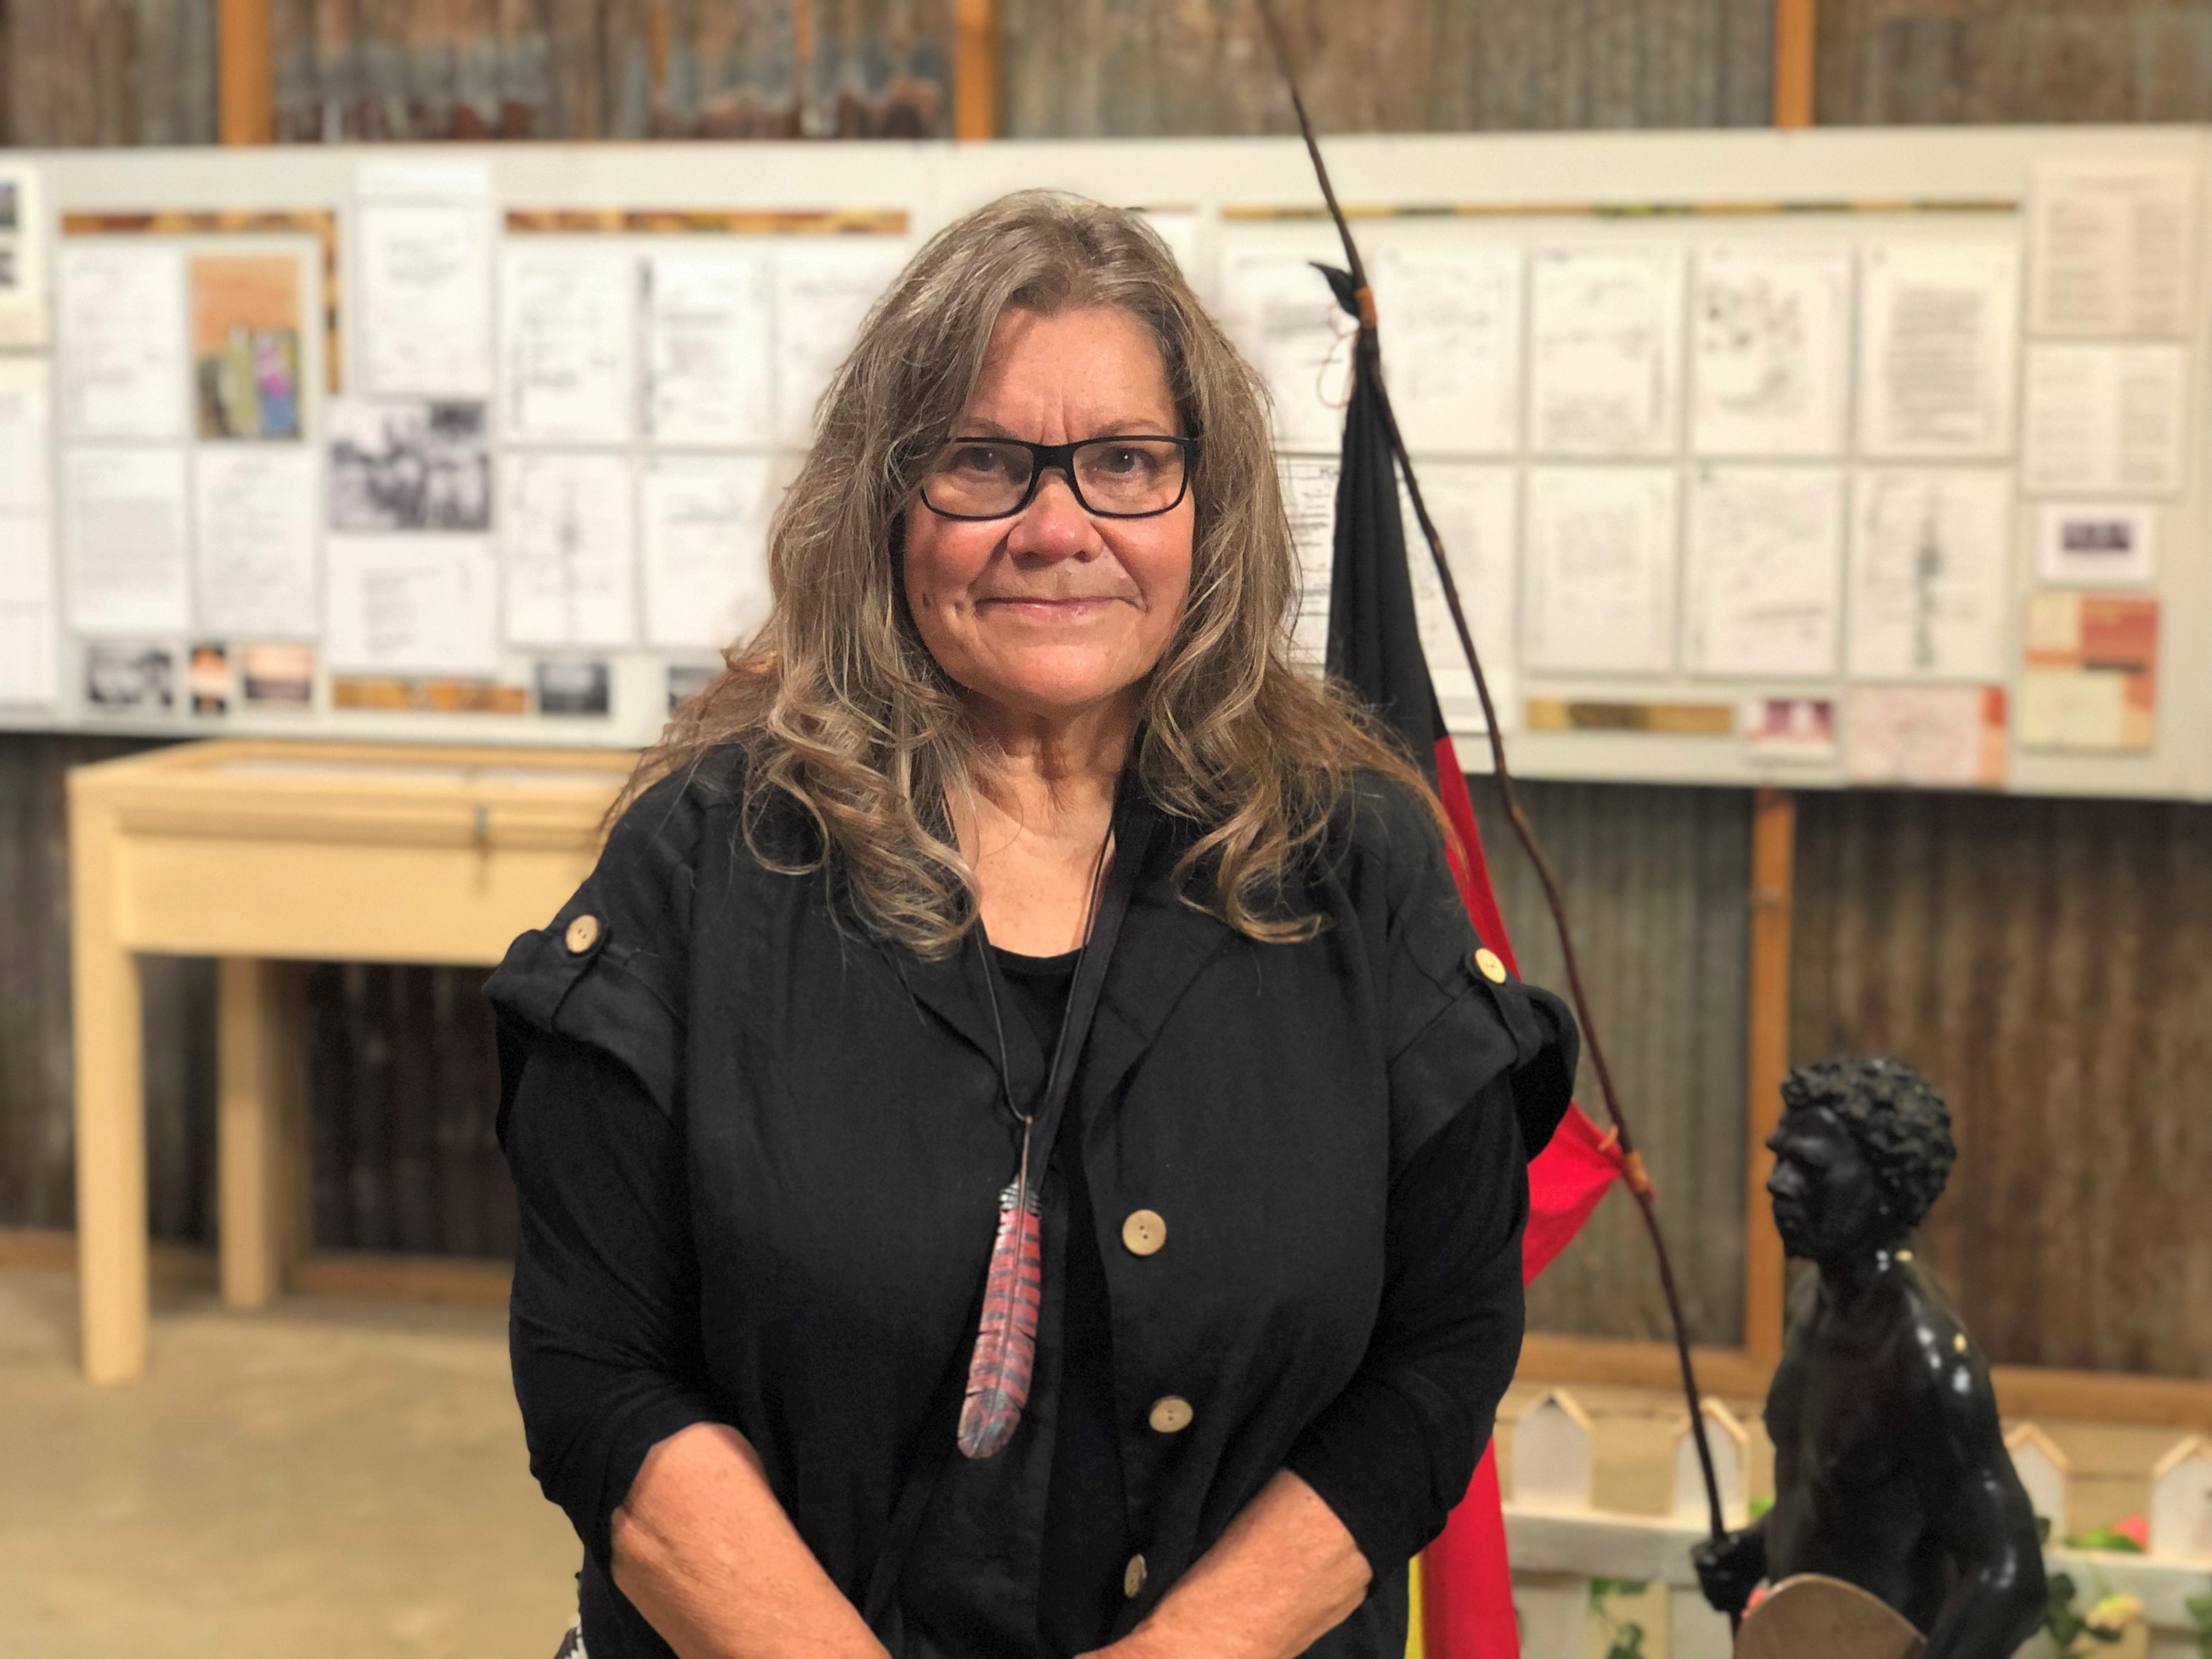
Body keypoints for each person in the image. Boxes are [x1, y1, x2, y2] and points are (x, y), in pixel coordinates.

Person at [487, 190, 1577, 1659]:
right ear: (886, 502)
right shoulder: (703, 864)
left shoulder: (1354, 858)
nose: (1058, 528)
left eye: (1126, 462)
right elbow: (597, 1371)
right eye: (985, 463)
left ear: (1208, 503)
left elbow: (1442, 1351)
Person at [1694, 1058, 2045, 1658]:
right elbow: (1845, 1501)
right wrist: (1754, 1550)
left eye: (1811, 1167)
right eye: (1781, 1157)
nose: (1779, 1183)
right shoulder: (1812, 1302)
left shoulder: (1926, 1360)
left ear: (1887, 1186)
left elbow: (2011, 1574)